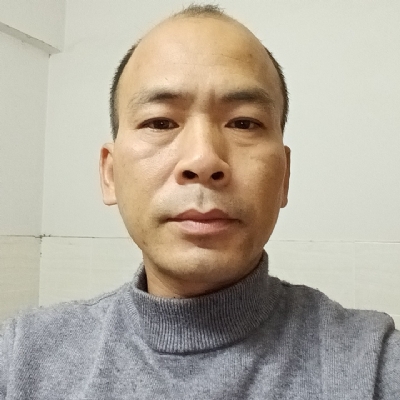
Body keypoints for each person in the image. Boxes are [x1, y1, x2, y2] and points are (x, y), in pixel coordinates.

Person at [1, 4, 399, 399]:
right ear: (110, 173)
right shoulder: (22, 357)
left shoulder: (373, 365)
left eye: (243, 123)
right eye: (160, 122)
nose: (203, 160)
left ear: (284, 177)